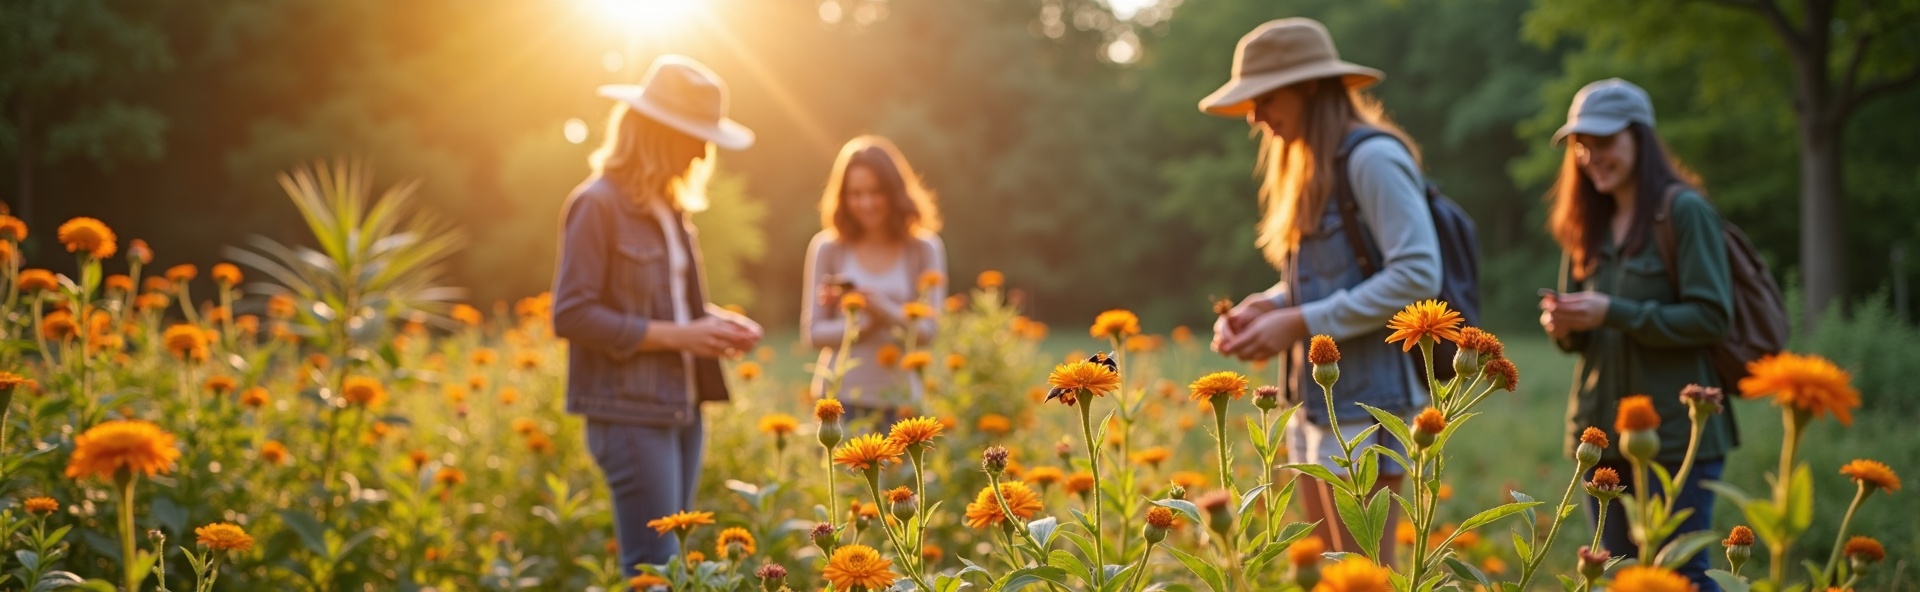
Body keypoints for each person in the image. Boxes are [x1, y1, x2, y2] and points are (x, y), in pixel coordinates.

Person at [1199, 18, 1439, 561]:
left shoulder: (1372, 158)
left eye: (1264, 98)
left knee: (1362, 573)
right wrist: (1269, 305)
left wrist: (1300, 323)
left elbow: (1417, 275)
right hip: (1314, 403)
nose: (1255, 116)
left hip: (1369, 405)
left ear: (1309, 86)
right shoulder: (1311, 167)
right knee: (1329, 571)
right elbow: (1337, 277)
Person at [551, 54, 763, 575]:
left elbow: (673, 310)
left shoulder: (671, 211)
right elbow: (572, 315)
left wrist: (717, 324)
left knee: (669, 571)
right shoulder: (596, 205)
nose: (701, 151)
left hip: (680, 408)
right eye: (693, 136)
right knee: (655, 570)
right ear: (655, 132)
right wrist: (685, 335)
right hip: (628, 413)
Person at [1540, 78, 1735, 591]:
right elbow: (1579, 340)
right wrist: (1563, 325)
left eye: (1603, 142)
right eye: (1581, 145)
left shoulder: (1683, 211)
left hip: (1676, 434)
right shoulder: (1587, 221)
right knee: (1619, 576)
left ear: (1640, 139)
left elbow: (1712, 318)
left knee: (1683, 574)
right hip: (1600, 435)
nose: (1589, 156)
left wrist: (1614, 311)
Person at [801, 136, 947, 430]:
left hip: (902, 402)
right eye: (856, 193)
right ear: (843, 197)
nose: (866, 203)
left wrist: (883, 310)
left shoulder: (922, 248)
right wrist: (863, 325)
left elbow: (930, 331)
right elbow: (813, 333)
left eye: (875, 192)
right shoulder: (828, 248)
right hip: (839, 400)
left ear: (895, 192)